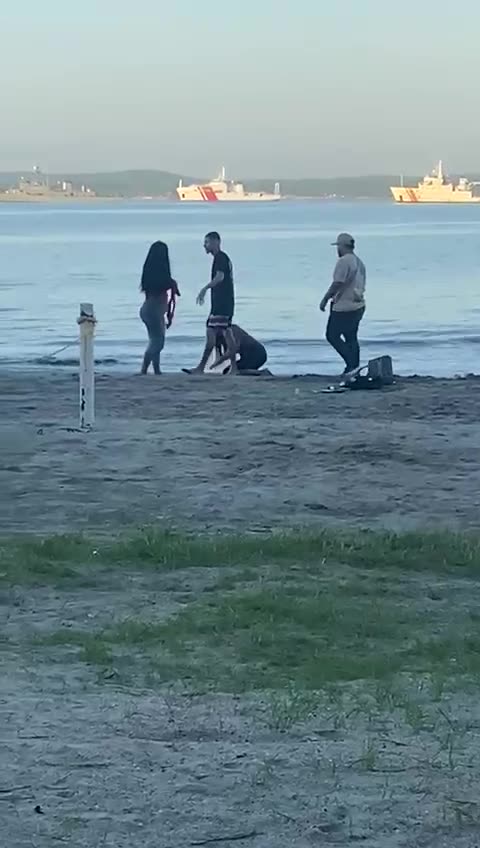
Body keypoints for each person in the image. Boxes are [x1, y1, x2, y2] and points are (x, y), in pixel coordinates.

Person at [184, 232, 237, 374]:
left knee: (213, 332)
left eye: (207, 242)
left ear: (216, 242)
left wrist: (205, 288)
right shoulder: (222, 258)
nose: (204, 245)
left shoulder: (220, 257)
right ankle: (233, 368)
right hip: (225, 302)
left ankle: (201, 367)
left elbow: (220, 277)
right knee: (226, 333)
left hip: (222, 303)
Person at [320, 232, 366, 377]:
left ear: (342, 246)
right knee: (351, 336)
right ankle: (354, 367)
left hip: (343, 306)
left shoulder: (344, 261)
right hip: (358, 304)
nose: (337, 250)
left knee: (332, 335)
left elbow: (338, 282)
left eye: (338, 246)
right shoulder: (359, 262)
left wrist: (325, 298)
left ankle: (351, 364)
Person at [139, 241, 179, 375]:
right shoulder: (164, 279)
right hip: (154, 311)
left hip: (149, 310)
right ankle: (144, 369)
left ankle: (156, 369)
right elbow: (170, 292)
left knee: (155, 339)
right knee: (158, 342)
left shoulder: (149, 276)